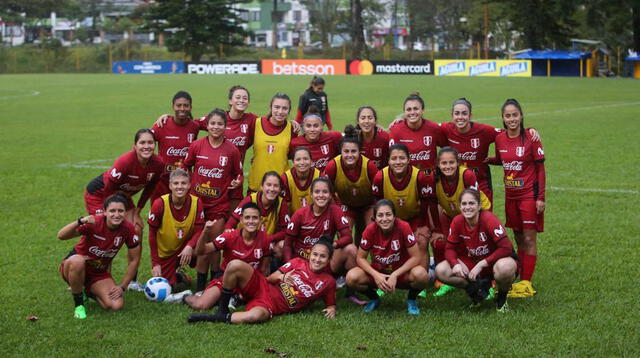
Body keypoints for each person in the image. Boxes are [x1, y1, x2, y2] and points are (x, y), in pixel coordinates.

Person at [84, 128, 163, 291]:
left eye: (150, 143)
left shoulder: (158, 163)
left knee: (137, 229)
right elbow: (108, 190)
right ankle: (96, 278)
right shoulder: (125, 161)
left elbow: (151, 187)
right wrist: (108, 215)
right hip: (100, 195)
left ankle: (132, 281)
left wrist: (137, 210)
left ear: (155, 145)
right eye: (142, 143)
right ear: (134, 146)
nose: (146, 146)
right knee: (105, 232)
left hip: (122, 197)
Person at [187, 238, 337, 324]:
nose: (317, 259)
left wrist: (332, 308)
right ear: (310, 254)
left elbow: (331, 304)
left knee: (255, 316)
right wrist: (281, 277)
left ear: (329, 259)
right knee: (235, 265)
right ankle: (223, 308)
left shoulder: (328, 282)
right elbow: (271, 278)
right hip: (262, 286)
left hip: (270, 304)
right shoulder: (297, 262)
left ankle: (215, 318)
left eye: (322, 257)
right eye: (315, 255)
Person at [488, 99, 545, 298]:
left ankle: (527, 283)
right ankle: (519, 278)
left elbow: (540, 168)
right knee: (518, 237)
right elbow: (501, 159)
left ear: (521, 116)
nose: (511, 119)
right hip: (510, 196)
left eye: (515, 115)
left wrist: (540, 198)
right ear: (503, 119)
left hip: (528, 196)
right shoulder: (500, 139)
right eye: (507, 116)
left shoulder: (531, 137)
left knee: (529, 238)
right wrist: (485, 160)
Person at [182, 108, 243, 292]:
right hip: (198, 205)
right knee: (200, 246)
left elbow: (238, 175)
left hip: (218, 206)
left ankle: (214, 282)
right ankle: (200, 287)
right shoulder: (197, 146)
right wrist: (185, 188)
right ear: (207, 125)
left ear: (225, 126)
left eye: (220, 124)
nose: (216, 127)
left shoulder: (231, 150)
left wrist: (236, 182)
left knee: (215, 246)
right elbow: (185, 166)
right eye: (213, 123)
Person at [439, 98, 540, 203]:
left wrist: (528, 131)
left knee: (484, 216)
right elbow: (429, 129)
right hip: (457, 182)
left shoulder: (483, 130)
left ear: (470, 115)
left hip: (481, 182)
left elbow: (509, 132)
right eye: (457, 113)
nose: (460, 117)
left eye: (464, 113)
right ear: (452, 115)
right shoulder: (446, 129)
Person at [57, 194, 141, 319]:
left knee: (115, 305)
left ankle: (87, 291)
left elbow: (135, 259)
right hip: (73, 267)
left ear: (125, 212)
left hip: (98, 273)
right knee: (78, 260)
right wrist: (80, 221)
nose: (116, 214)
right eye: (112, 211)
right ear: (105, 212)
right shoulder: (94, 222)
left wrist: (123, 286)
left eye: (120, 211)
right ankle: (79, 305)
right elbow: (61, 236)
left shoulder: (128, 229)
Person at [178, 202, 274, 309]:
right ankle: (184, 296)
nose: (251, 221)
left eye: (255, 218)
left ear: (260, 220)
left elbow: (264, 270)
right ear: (241, 220)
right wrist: (205, 232)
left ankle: (234, 297)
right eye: (247, 218)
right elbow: (201, 250)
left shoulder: (265, 240)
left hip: (248, 281)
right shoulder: (230, 236)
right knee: (201, 305)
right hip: (225, 278)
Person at [435, 189, 518, 312]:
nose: (467, 207)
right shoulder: (457, 221)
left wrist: (482, 263)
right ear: (459, 206)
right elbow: (449, 249)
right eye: (464, 204)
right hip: (473, 262)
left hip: (495, 262)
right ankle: (476, 293)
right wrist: (455, 264)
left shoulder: (489, 219)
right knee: (441, 270)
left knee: (505, 268)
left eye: (471, 203)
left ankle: (501, 299)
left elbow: (506, 248)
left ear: (479, 205)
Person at [346, 199, 429, 315]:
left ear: (394, 216)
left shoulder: (404, 227)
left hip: (401, 274)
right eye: (380, 215)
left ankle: (411, 300)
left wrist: (395, 274)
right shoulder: (370, 230)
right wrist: (376, 275)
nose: (384, 219)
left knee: (421, 274)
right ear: (374, 218)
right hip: (380, 274)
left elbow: (416, 257)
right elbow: (360, 258)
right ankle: (374, 298)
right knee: (351, 277)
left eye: (388, 214)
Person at [430, 146, 492, 297]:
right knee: (443, 243)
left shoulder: (467, 175)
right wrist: (437, 228)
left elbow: (474, 203)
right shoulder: (434, 177)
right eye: (444, 163)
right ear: (438, 164)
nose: (448, 166)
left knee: (478, 245)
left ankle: (489, 281)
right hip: (451, 213)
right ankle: (448, 280)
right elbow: (432, 203)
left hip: (478, 212)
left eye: (452, 162)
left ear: (458, 163)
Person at [371, 144, 441, 267]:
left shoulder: (419, 176)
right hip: (390, 219)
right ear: (388, 160)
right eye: (394, 158)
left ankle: (421, 279)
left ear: (409, 160)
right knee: (379, 241)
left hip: (414, 218)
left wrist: (422, 225)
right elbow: (377, 204)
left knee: (422, 241)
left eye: (402, 158)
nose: (398, 162)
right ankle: (380, 275)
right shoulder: (380, 177)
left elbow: (426, 203)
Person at [284, 178, 357, 276]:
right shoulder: (300, 214)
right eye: (317, 192)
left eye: (325, 192)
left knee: (351, 249)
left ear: (330, 195)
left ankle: (347, 285)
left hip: (324, 259)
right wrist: (290, 266)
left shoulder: (335, 211)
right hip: (303, 261)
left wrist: (333, 245)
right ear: (311, 194)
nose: (321, 195)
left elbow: (348, 237)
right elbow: (287, 244)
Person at [147, 169, 204, 290]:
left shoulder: (196, 202)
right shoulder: (159, 204)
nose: (180, 187)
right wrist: (156, 264)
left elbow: (199, 230)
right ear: (170, 185)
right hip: (166, 253)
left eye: (183, 183)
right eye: (176, 183)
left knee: (204, 246)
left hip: (185, 248)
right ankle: (179, 276)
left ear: (189, 185)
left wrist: (190, 246)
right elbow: (152, 235)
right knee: (169, 287)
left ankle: (202, 286)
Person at [323, 125, 378, 245]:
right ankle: (344, 263)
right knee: (345, 236)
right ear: (340, 151)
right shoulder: (333, 166)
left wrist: (376, 209)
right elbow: (325, 190)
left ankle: (375, 263)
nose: (350, 155)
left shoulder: (369, 166)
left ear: (360, 151)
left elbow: (380, 190)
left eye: (354, 151)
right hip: (346, 205)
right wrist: (337, 208)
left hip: (368, 205)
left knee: (372, 234)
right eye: (346, 151)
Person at [225, 171, 289, 260]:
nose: (272, 189)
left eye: (276, 186)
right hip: (246, 241)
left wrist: (269, 239)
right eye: (269, 185)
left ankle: (276, 268)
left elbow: (285, 231)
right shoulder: (250, 200)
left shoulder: (282, 203)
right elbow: (229, 224)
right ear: (262, 186)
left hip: (266, 243)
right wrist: (232, 237)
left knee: (283, 245)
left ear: (280, 189)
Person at [150, 91, 201, 202]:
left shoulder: (195, 126)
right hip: (162, 180)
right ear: (173, 107)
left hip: (184, 181)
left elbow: (216, 121)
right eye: (179, 105)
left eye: (186, 105)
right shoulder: (161, 125)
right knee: (159, 212)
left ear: (191, 107)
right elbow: (144, 142)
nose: (182, 108)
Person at [248, 93, 296, 193]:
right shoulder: (256, 123)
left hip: (280, 186)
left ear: (289, 110)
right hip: (256, 184)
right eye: (277, 107)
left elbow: (293, 155)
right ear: (270, 107)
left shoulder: (292, 129)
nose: (280, 111)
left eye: (284, 108)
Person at [388, 92, 447, 172]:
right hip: (407, 177)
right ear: (404, 112)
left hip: (429, 177)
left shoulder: (434, 128)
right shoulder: (396, 130)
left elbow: (447, 147)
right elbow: (391, 157)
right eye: (409, 109)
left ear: (422, 110)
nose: (412, 112)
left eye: (416, 109)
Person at [281, 146, 321, 214]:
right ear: (293, 162)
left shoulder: (319, 176)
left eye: (305, 159)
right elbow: (285, 207)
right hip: (292, 219)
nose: (302, 162)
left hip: (316, 218)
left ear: (311, 161)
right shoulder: (285, 178)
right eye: (298, 159)